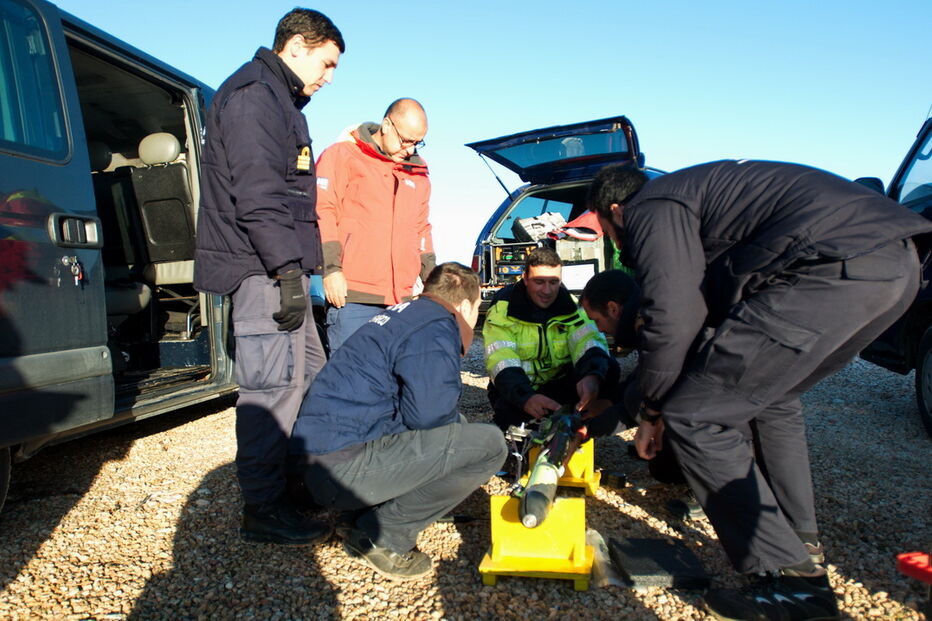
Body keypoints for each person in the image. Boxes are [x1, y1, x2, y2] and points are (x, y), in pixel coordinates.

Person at [587, 160, 932, 620]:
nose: (616, 241)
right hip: (895, 269)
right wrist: (629, 410)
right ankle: (797, 540)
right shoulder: (703, 203)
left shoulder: (653, 204)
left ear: (616, 209)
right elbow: (693, 329)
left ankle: (794, 587)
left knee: (696, 417)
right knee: (768, 400)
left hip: (828, 270)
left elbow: (673, 316)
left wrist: (653, 411)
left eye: (608, 230)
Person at [193, 9, 344, 545]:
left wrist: (304, 271)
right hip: (263, 271)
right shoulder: (256, 95)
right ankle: (262, 507)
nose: (328, 76)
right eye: (326, 63)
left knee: (309, 377)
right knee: (271, 390)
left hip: (285, 270)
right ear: (297, 46)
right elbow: (258, 196)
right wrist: (284, 272)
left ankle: (295, 485)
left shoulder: (282, 100)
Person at [289, 263, 507, 581]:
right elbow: (430, 417)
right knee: (489, 445)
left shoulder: (406, 315)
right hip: (340, 471)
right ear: (463, 305)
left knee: (459, 429)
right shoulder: (435, 327)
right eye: (476, 310)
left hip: (321, 461)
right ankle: (383, 536)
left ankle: (362, 515)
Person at [316, 98, 435, 352]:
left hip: (402, 300)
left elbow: (421, 228)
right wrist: (331, 269)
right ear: (386, 125)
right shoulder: (343, 155)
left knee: (393, 384)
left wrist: (432, 282)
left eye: (418, 142)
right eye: (406, 140)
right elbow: (323, 210)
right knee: (351, 383)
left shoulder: (418, 172)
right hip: (353, 297)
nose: (411, 149)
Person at [483, 247, 620, 436]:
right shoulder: (503, 311)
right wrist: (526, 398)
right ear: (524, 278)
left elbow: (590, 343)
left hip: (558, 385)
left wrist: (591, 376)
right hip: (521, 389)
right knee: (515, 426)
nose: (547, 290)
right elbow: (501, 361)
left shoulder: (571, 306)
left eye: (554, 282)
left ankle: (584, 424)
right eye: (539, 282)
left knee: (608, 367)